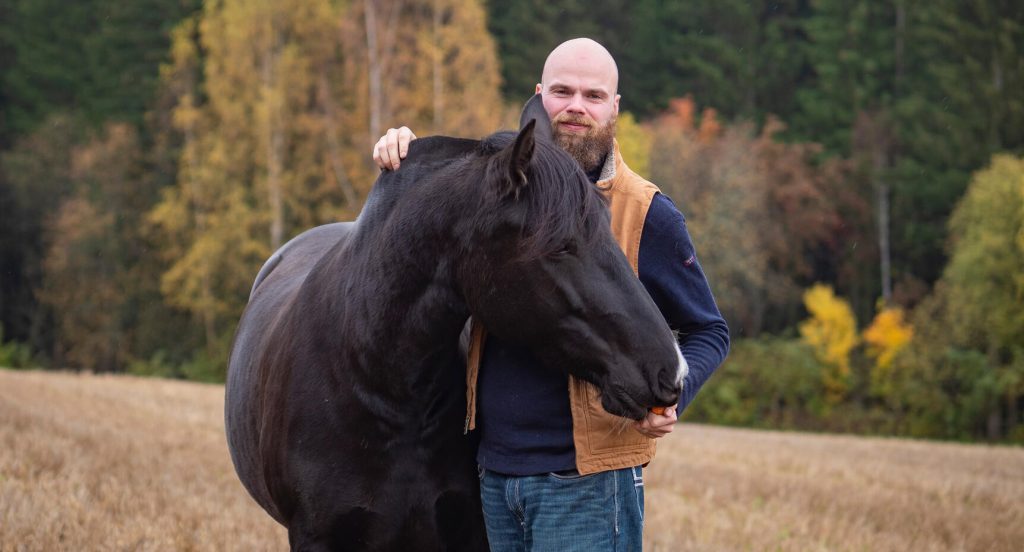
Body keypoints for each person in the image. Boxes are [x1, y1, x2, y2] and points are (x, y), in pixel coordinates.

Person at [373, 38, 729, 552]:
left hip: (585, 480)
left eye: (594, 95)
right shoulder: (503, 186)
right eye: (562, 92)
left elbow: (708, 329)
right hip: (493, 475)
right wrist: (406, 148)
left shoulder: (647, 212)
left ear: (615, 108)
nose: (577, 107)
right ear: (540, 97)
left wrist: (675, 391)